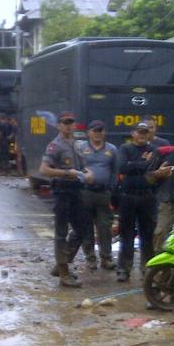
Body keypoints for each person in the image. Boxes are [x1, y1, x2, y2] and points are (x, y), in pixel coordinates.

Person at [39, 112, 85, 288]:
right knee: (61, 233)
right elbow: (43, 169)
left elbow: (80, 166)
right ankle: (64, 273)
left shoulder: (77, 144)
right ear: (58, 126)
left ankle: (62, 263)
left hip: (76, 190)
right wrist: (66, 173)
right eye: (64, 123)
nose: (68, 126)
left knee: (81, 230)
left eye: (70, 123)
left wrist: (85, 173)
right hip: (62, 191)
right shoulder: (55, 145)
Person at [68, 120, 119, 270]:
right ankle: (90, 258)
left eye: (100, 131)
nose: (97, 134)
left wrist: (111, 188)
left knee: (105, 227)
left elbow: (115, 171)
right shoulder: (80, 148)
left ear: (104, 132)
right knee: (86, 227)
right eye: (94, 131)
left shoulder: (112, 149)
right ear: (88, 132)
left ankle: (106, 258)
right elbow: (75, 168)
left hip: (103, 193)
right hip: (85, 192)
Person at [116, 122, 159, 282]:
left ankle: (147, 268)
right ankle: (123, 269)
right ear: (133, 133)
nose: (142, 135)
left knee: (147, 235)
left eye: (145, 132)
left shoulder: (153, 149)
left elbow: (154, 168)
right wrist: (143, 164)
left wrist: (135, 165)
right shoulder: (125, 149)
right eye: (139, 132)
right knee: (126, 234)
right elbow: (122, 168)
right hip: (128, 196)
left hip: (147, 197)